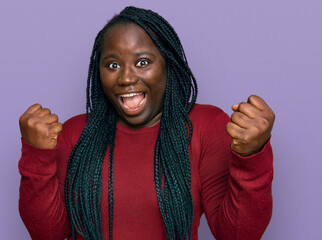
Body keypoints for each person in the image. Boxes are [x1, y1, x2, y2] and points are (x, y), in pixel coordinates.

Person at [18, 6, 275, 240]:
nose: (127, 78)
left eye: (143, 62)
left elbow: (237, 234)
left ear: (168, 66)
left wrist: (252, 158)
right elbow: (48, 233)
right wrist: (36, 155)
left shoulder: (204, 127)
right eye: (113, 64)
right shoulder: (75, 134)